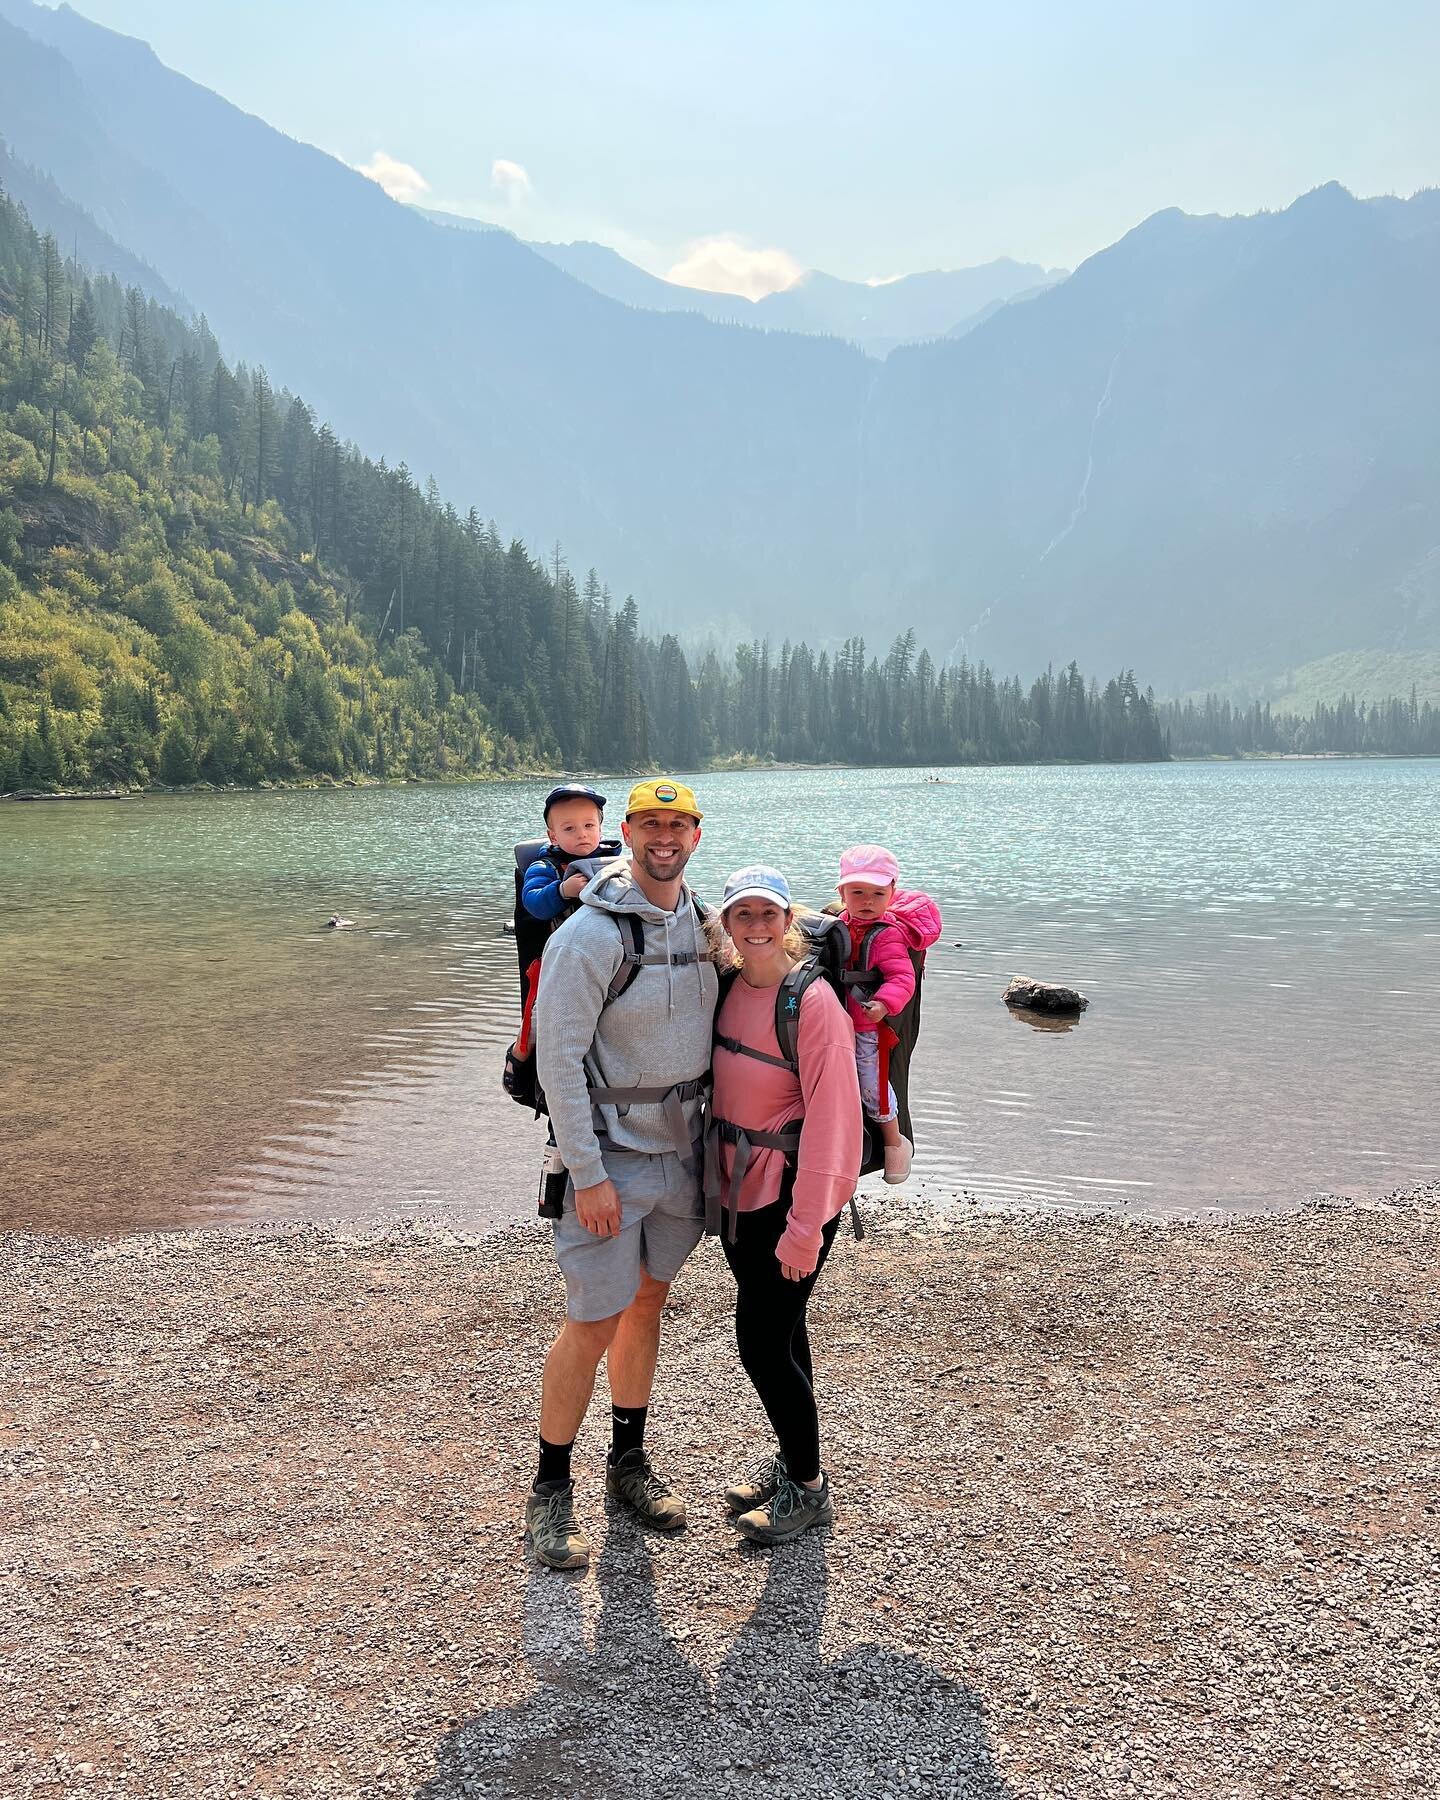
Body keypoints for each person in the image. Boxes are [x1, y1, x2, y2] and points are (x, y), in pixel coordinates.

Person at [525, 779, 717, 1571]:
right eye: (650, 825)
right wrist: (588, 1171)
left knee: (647, 1303)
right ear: (626, 835)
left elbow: (778, 958)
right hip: (608, 1161)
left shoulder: (707, 925)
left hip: (683, 1159)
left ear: (696, 836)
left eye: (678, 825)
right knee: (592, 1320)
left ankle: (627, 1465)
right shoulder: (590, 935)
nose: (663, 838)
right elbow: (559, 1061)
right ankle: (549, 1491)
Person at [707, 864, 862, 1545]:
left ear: (789, 919)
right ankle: (795, 1460)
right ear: (727, 926)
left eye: (769, 913)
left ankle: (808, 1489)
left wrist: (807, 1227)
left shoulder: (813, 1002)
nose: (758, 926)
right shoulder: (728, 988)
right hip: (738, 1194)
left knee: (761, 1342)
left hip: (793, 1195)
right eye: (743, 915)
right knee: (786, 1334)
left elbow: (834, 1123)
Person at [836, 844, 915, 1184]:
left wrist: (884, 1003)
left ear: (892, 893)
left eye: (877, 893)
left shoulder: (888, 936)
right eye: (858, 891)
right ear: (842, 893)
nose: (867, 900)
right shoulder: (837, 924)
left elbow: (902, 977)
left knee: (872, 1086)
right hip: (832, 1022)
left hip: (867, 1028)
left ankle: (895, 1144)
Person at [519, 783, 617, 924]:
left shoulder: (612, 859)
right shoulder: (545, 867)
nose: (582, 834)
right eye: (569, 828)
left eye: (589, 825)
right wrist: (562, 891)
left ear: (600, 829)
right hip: (568, 941)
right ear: (553, 837)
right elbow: (532, 902)